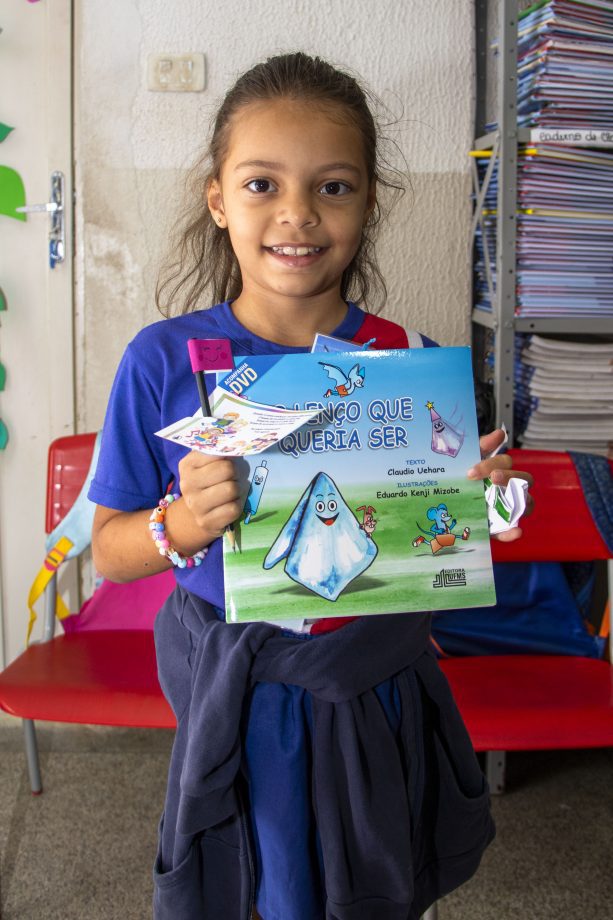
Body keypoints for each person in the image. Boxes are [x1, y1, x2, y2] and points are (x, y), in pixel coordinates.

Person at [89, 52, 533, 920]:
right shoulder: (163, 361)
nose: (296, 214)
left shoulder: (404, 358)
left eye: (333, 187)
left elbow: (435, 529)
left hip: (377, 683)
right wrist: (178, 525)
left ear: (368, 205)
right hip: (238, 693)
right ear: (218, 200)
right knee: (265, 880)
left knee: (379, 872)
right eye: (261, 184)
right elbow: (110, 552)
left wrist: (481, 500)